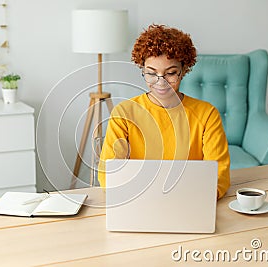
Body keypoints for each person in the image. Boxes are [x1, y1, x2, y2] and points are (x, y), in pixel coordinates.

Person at [98, 24, 230, 199]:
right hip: (137, 200)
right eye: (151, 73)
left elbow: (219, 175)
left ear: (183, 71)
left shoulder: (207, 114)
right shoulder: (124, 113)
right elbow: (109, 173)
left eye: (171, 73)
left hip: (191, 199)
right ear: (142, 70)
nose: (161, 82)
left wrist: (198, 197)